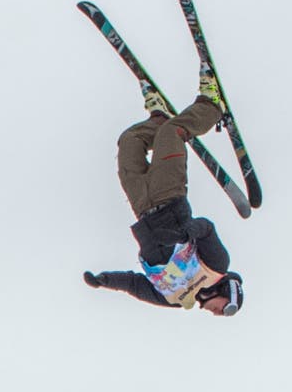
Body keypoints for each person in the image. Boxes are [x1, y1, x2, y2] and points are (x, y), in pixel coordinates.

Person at [83, 93, 246, 315]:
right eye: (227, 309)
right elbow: (206, 228)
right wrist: (184, 234)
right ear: (228, 292)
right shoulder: (217, 265)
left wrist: (104, 280)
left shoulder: (175, 299)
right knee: (172, 132)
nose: (219, 313)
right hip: (169, 194)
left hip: (141, 205)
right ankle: (212, 107)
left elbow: (135, 285)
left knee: (130, 141)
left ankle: (159, 119)